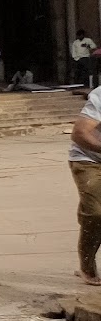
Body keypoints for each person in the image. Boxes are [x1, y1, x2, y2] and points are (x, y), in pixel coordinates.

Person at [70, 85, 101, 285]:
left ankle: (87, 206)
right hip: (89, 159)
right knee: (97, 214)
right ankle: (87, 266)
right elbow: (79, 133)